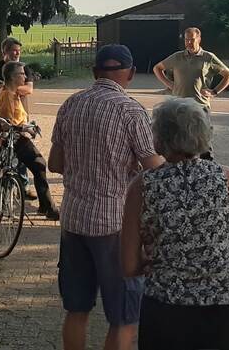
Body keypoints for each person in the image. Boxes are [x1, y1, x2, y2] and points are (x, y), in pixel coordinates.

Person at [121, 98, 229, 350]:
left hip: (166, 313)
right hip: (227, 312)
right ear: (204, 134)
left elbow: (128, 265)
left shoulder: (142, 186)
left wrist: (160, 259)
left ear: (158, 139)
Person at [48, 44, 163, 350]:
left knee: (76, 309)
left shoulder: (70, 104)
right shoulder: (131, 111)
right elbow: (154, 167)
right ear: (131, 73)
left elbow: (55, 164)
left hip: (73, 221)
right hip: (114, 225)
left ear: (94, 71)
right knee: (123, 316)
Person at [0, 61, 59, 220]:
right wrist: (26, 129)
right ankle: (48, 207)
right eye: (22, 74)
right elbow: (8, 123)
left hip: (13, 138)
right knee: (40, 164)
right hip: (16, 139)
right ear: (13, 77)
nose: (25, 76)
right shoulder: (8, 95)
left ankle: (45, 205)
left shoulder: (8, 92)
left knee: (37, 166)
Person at [0, 36, 37, 200]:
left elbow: (29, 89)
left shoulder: (23, 67)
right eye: (13, 50)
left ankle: (24, 186)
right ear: (4, 52)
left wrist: (12, 88)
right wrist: (14, 89)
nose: (17, 53)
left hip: (21, 115)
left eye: (19, 50)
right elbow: (1, 87)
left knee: (22, 153)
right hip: (2, 116)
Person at [152, 26, 229, 109]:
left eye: (192, 39)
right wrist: (169, 84)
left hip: (200, 106)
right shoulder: (177, 57)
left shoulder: (208, 57)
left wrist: (214, 92)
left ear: (199, 39)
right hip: (178, 105)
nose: (189, 42)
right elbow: (157, 68)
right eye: (186, 40)